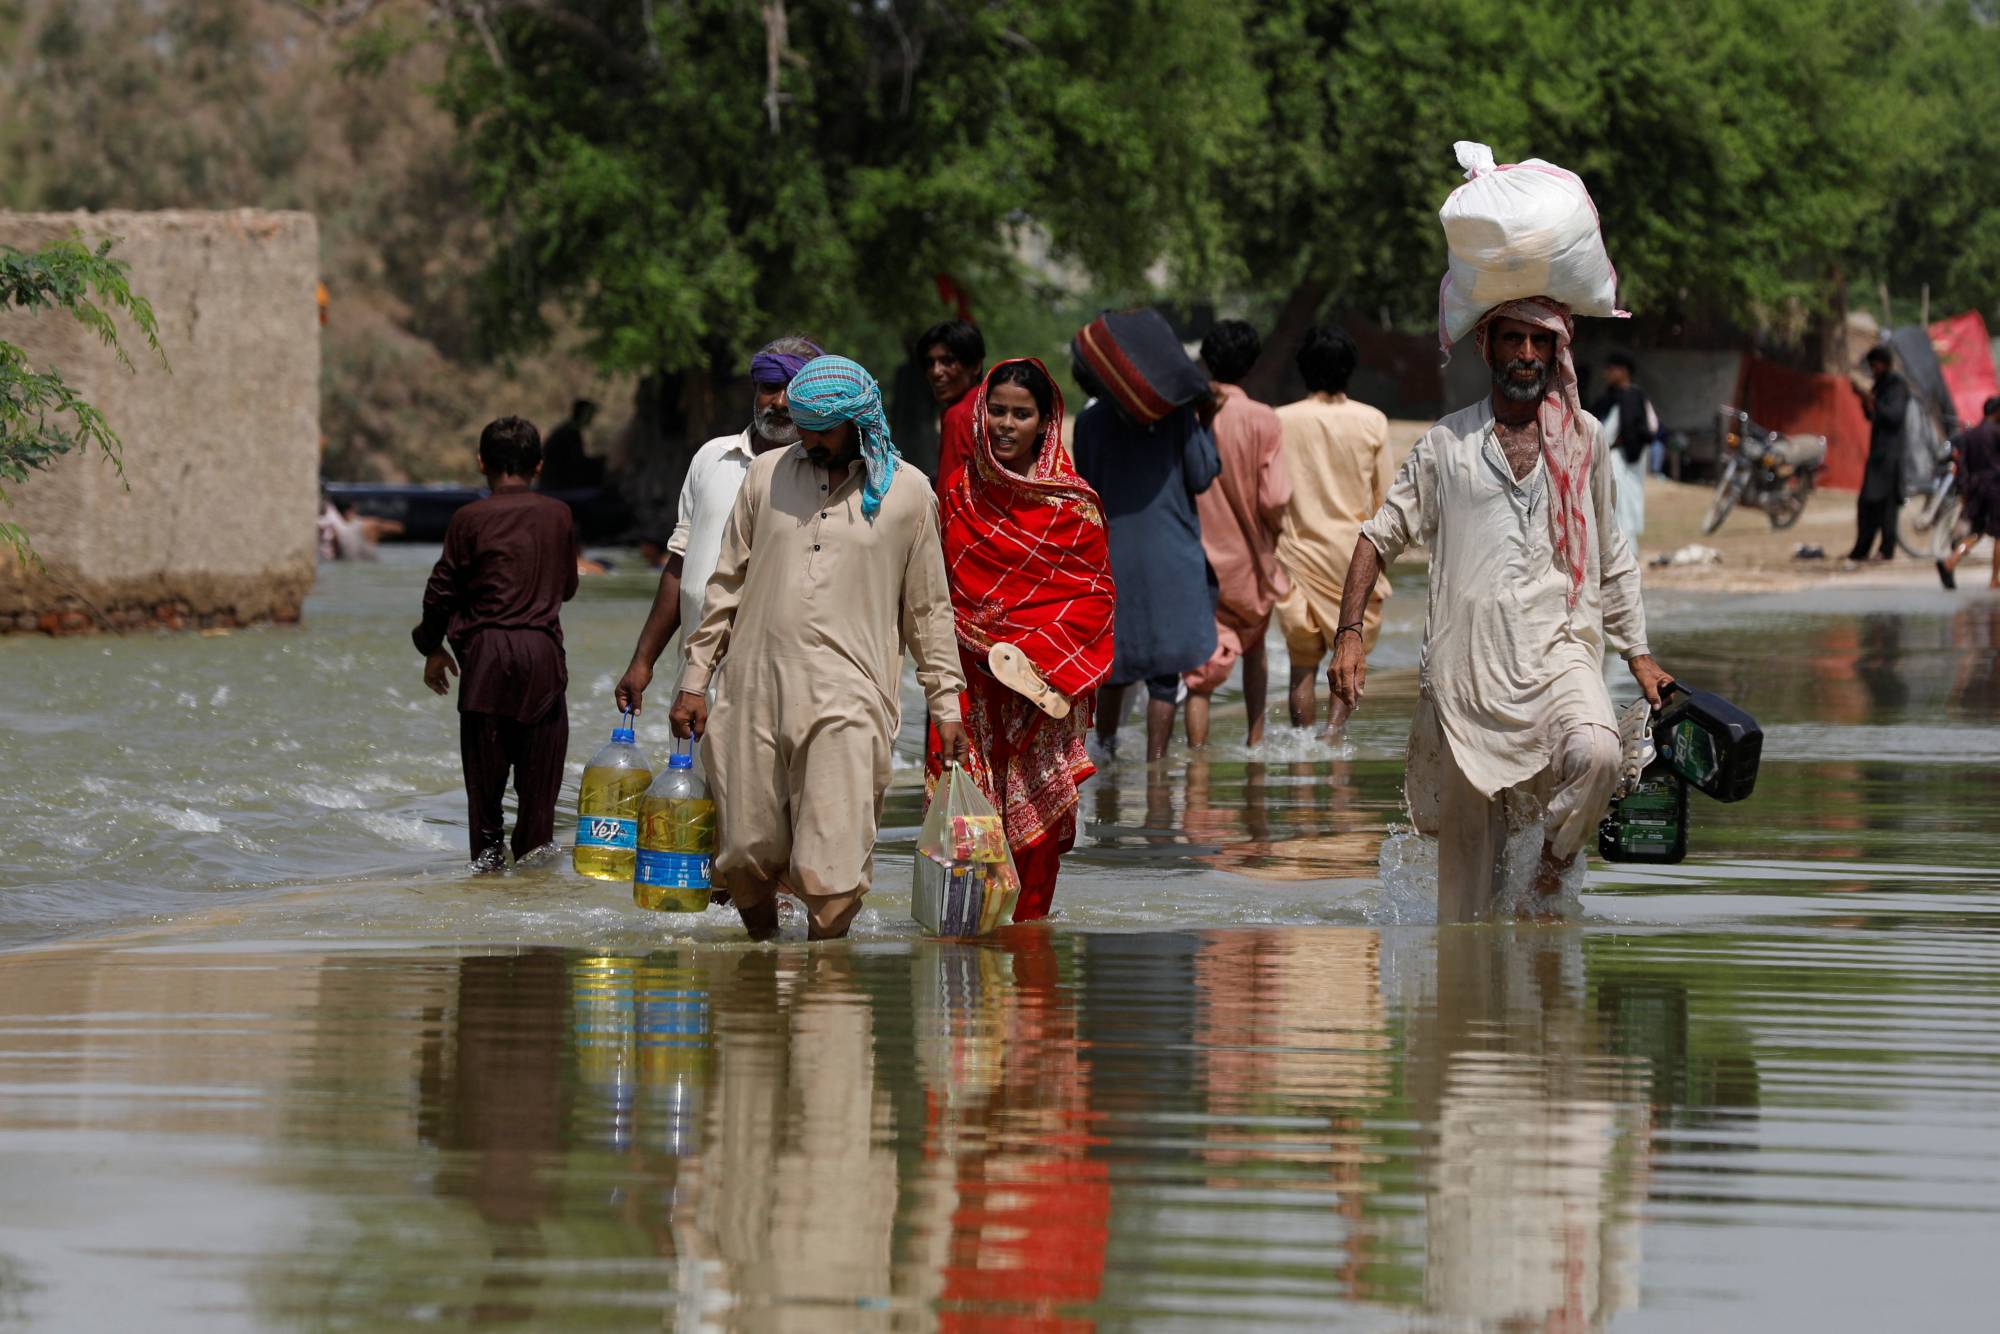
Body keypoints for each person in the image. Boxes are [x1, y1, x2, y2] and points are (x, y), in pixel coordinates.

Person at [1329, 298, 1673, 924]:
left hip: (1560, 654)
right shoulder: (1446, 444)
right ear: (1486, 348)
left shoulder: (1584, 440)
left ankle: (1549, 874)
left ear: (1557, 352)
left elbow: (1611, 548)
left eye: (1539, 343)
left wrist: (1639, 654)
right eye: (1513, 340)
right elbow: (1377, 538)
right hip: (1468, 679)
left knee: (1597, 754)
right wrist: (1348, 634)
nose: (1525, 355)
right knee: (1466, 915)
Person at [668, 355, 969, 940]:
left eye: (821, 429)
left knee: (830, 870)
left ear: (859, 422)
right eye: (801, 426)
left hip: (852, 699)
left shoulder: (909, 493)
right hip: (751, 692)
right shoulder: (766, 475)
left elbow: (929, 610)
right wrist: (693, 680)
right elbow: (724, 584)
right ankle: (761, 966)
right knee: (743, 856)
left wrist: (947, 703)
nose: (807, 438)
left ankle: (824, 994)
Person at [930, 358, 1117, 921]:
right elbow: (935, 597)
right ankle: (964, 955)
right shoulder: (959, 495)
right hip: (966, 687)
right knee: (962, 827)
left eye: (1022, 413)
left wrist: (1033, 650)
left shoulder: (1073, 506)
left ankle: (1030, 959)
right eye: (998, 410)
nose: (1007, 423)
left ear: (1045, 421)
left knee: (1034, 836)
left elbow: (1096, 599)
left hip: (1041, 686)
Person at [614, 335, 821, 714]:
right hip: (695, 682)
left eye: (795, 390)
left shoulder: (823, 476)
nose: (781, 402)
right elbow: (680, 566)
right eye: (770, 388)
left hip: (781, 686)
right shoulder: (712, 458)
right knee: (685, 772)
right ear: (754, 391)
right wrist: (642, 661)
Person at [412, 416, 579, 870]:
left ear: (481, 463)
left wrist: (430, 646)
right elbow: (566, 588)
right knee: (538, 810)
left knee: (485, 813)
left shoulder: (468, 519)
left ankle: (486, 902)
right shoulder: (559, 515)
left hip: (484, 662)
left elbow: (440, 591)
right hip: (542, 660)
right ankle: (533, 911)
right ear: (539, 466)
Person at [1072, 376, 1221, 764]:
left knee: (1114, 667)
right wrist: (1204, 422)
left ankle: (1104, 758)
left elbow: (1085, 484)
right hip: (1170, 556)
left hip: (1111, 553)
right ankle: (1157, 768)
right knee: (1165, 674)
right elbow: (1202, 475)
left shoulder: (1090, 421)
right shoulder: (1178, 416)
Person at [1272, 324, 1395, 733]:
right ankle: (1333, 743)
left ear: (1303, 368)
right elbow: (1385, 501)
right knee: (1350, 657)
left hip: (1297, 557)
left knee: (1301, 666)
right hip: (1353, 561)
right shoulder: (1372, 421)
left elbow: (1269, 495)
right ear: (1349, 369)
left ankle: (1303, 760)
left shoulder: (1280, 421)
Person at [1185, 319, 1292, 748]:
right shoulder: (1263, 419)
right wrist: (1275, 535)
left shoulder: (1190, 415)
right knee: (1255, 649)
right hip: (1248, 559)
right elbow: (1275, 496)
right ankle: (1255, 741)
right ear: (1251, 366)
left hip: (1196, 559)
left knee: (1199, 677)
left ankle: (1196, 767)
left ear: (1206, 361)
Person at [1850, 346, 1910, 561]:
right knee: (1868, 503)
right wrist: (1864, 400)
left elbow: (1894, 416)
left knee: (1886, 507)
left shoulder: (1897, 386)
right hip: (1878, 453)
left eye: (1875, 365)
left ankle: (1886, 550)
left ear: (1884, 364)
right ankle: (1862, 549)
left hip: (1891, 455)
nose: (1873, 370)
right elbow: (1872, 416)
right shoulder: (1881, 385)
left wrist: (1872, 400)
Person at [1592, 352, 1657, 544]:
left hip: (1624, 458)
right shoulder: (1612, 395)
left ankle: (1627, 548)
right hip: (1619, 455)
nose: (1607, 373)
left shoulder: (1630, 395)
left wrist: (1630, 454)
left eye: (1611, 369)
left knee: (1623, 502)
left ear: (1623, 371)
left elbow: (1635, 428)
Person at [1938, 395, 2000, 590]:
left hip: (1975, 488)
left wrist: (1963, 491)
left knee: (1977, 531)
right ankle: (1994, 579)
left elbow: (1961, 465)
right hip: (1995, 487)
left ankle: (1951, 561)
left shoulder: (1969, 435)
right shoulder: (1997, 432)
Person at [919, 320, 985, 487]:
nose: (936, 371)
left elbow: (949, 491)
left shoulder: (958, 415)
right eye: (930, 363)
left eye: (947, 361)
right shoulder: (989, 403)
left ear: (975, 366)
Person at [537, 398, 603, 492]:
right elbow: (574, 463)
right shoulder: (567, 434)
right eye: (590, 414)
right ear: (583, 414)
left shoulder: (570, 432)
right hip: (556, 485)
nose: (592, 418)